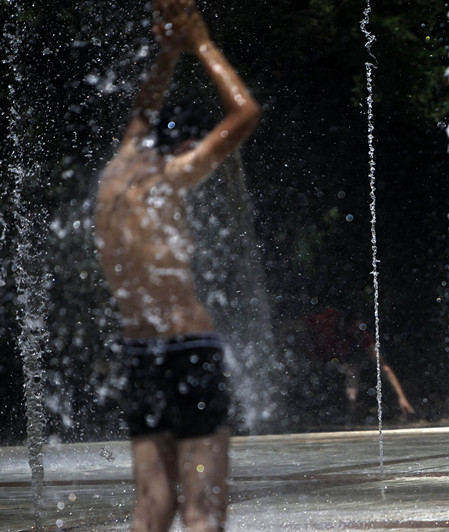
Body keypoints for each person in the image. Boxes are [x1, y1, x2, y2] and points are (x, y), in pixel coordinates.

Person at [94, 1, 260, 529]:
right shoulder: (169, 178)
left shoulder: (114, 180)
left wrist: (166, 55)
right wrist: (202, 45)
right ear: (184, 146)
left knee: (153, 506)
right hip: (190, 351)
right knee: (202, 510)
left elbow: (139, 118)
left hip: (139, 354)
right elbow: (244, 114)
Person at [306, 307, 416, 425]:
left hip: (340, 366)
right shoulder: (325, 320)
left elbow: (384, 367)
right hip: (313, 362)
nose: (356, 331)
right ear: (345, 323)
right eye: (353, 327)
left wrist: (402, 398)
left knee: (352, 369)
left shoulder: (361, 336)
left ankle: (350, 412)